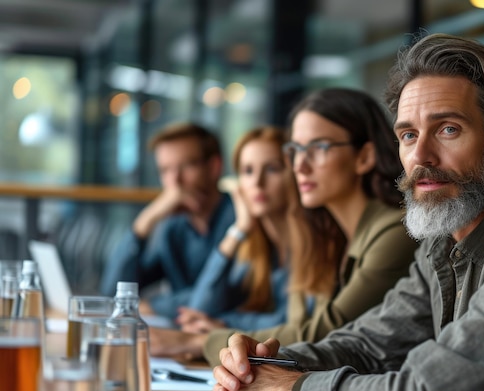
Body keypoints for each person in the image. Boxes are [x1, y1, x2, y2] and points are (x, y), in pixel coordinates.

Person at [212, 33, 484, 391]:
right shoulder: (444, 241)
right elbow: (369, 345)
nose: (422, 155)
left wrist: (288, 389)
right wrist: (261, 365)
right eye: (408, 135)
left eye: (448, 129)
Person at [149, 87, 419, 365]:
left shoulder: (394, 232)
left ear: (364, 157)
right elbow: (298, 322)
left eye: (319, 148)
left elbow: (324, 332)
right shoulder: (327, 233)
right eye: (296, 150)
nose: (299, 166)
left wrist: (198, 341)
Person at [175, 126, 306, 333]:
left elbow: (294, 324)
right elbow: (200, 310)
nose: (257, 182)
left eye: (272, 169)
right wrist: (238, 230)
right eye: (247, 171)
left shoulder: (312, 244)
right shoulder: (256, 247)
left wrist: (225, 324)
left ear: (294, 174)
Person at [100, 122, 235, 318]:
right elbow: (114, 292)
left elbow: (226, 294)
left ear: (214, 167)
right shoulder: (174, 227)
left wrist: (153, 306)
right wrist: (144, 221)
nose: (175, 181)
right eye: (165, 170)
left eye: (187, 166)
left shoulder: (241, 220)